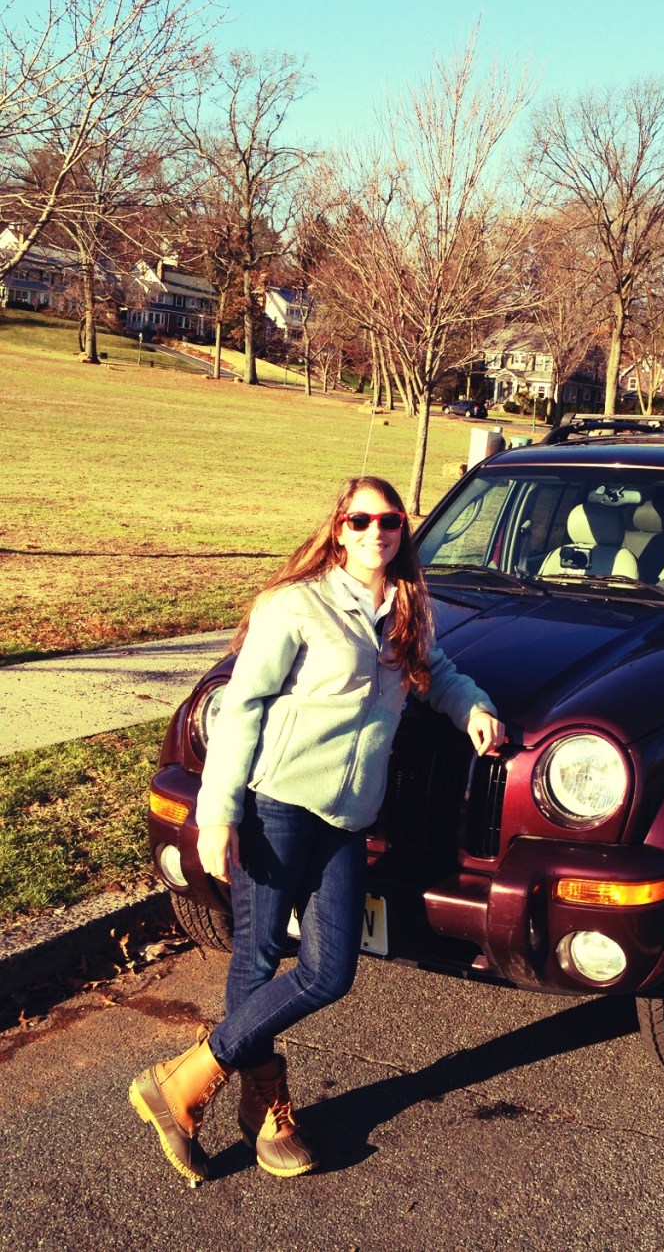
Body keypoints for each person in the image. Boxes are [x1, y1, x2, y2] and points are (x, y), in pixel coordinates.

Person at [129, 476, 505, 1185]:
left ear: (403, 528)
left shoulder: (408, 608)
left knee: (329, 970)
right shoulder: (295, 604)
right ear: (338, 529)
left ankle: (185, 1077)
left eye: (388, 520)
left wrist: (474, 708)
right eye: (360, 520)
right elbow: (243, 706)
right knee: (258, 953)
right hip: (277, 801)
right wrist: (218, 812)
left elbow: (439, 673)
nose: (375, 532)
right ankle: (262, 1109)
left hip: (348, 816)